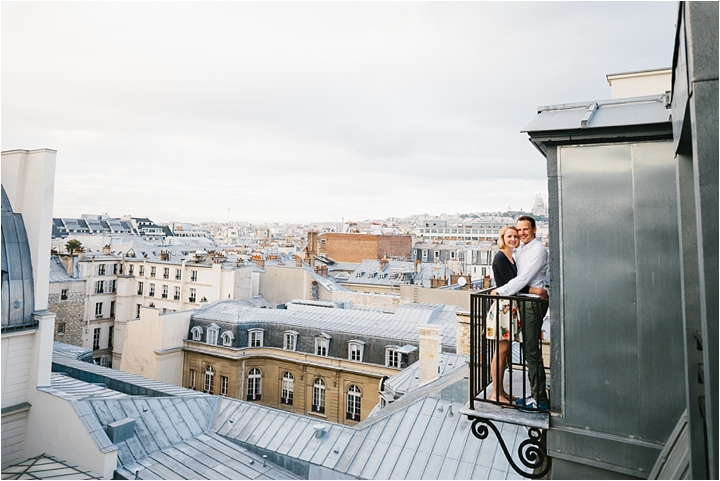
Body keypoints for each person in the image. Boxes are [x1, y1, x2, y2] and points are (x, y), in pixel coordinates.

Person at [492, 215, 549, 411]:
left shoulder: (538, 250)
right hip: (525, 301)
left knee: (531, 352)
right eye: (519, 230)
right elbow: (517, 279)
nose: (522, 233)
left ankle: (539, 398)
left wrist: (499, 291)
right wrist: (534, 290)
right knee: (527, 350)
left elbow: (523, 278)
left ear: (534, 230)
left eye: (525, 229)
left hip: (532, 304)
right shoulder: (520, 250)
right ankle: (535, 393)